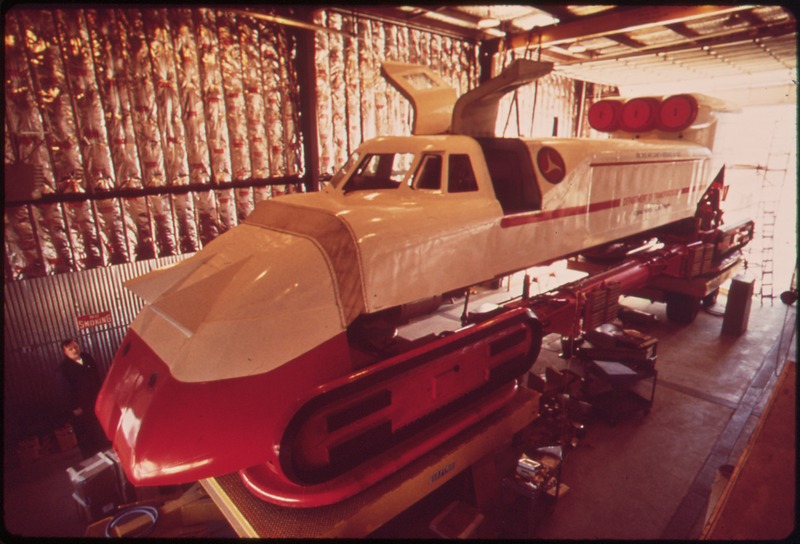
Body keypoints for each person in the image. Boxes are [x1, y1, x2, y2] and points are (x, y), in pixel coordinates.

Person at [58, 338, 111, 458]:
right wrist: (74, 407)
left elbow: (97, 376)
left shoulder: (87, 358)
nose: (74, 350)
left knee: (98, 422)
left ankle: (102, 443)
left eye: (75, 347)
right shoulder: (63, 369)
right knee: (84, 428)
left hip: (95, 398)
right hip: (80, 405)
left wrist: (103, 393)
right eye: (70, 349)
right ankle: (89, 453)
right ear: (65, 352)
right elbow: (65, 391)